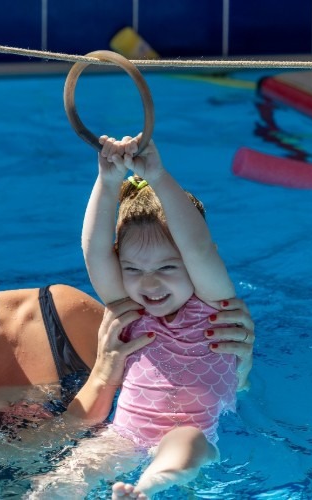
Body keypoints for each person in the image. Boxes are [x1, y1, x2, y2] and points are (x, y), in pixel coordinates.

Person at [0, 207, 253, 450]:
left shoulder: (60, 314)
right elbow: (14, 458)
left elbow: (184, 394)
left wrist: (238, 358)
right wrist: (105, 375)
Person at [78, 134, 251, 498]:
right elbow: (94, 251)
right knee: (74, 469)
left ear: (190, 264)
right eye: (133, 269)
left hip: (192, 433)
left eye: (168, 266)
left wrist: (158, 176)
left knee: (182, 444)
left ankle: (147, 487)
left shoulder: (214, 308)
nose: (149, 282)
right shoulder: (130, 307)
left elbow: (198, 247)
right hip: (124, 435)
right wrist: (107, 182)